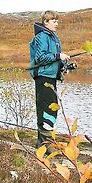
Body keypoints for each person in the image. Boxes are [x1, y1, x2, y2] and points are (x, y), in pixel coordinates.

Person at [29, 10, 70, 148]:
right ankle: (46, 144)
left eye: (57, 21)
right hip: (43, 77)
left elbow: (55, 58)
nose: (56, 24)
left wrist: (64, 66)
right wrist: (59, 56)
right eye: (54, 21)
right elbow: (41, 58)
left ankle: (43, 143)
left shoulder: (54, 37)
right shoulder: (41, 37)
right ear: (46, 22)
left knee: (52, 108)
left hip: (51, 77)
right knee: (47, 108)